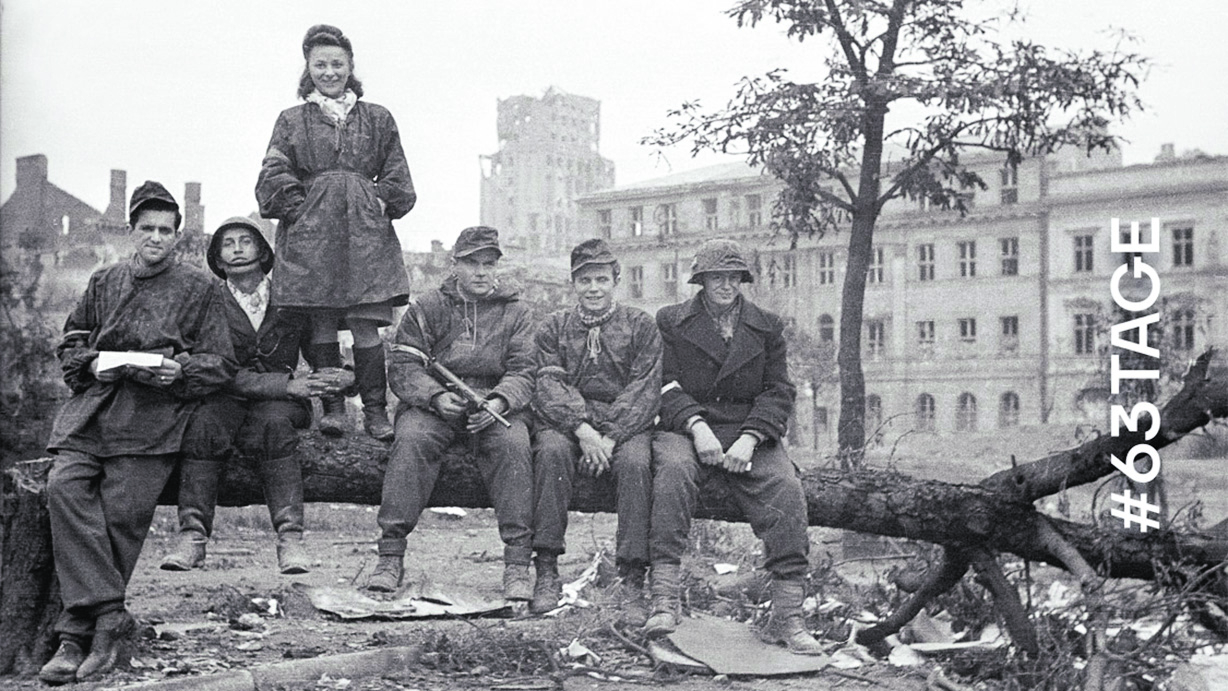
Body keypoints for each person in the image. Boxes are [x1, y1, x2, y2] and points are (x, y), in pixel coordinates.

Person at [39, 182, 236, 684]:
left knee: (123, 513)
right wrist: (92, 364)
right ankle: (109, 615)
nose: (155, 238)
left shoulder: (201, 288)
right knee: (63, 486)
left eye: (165, 231)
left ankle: (75, 636)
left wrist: (181, 373)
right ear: (131, 231)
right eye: (146, 229)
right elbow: (72, 342)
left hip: (155, 415)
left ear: (177, 236)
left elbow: (221, 362)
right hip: (94, 409)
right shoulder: (103, 280)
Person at [645, 238, 823, 655]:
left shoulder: (766, 325)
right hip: (688, 425)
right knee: (671, 473)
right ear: (701, 281)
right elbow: (665, 383)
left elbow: (779, 389)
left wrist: (751, 437)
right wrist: (695, 425)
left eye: (733, 277)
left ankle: (787, 616)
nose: (725, 285)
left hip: (748, 427)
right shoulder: (671, 321)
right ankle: (664, 602)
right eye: (716, 277)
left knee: (786, 488)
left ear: (742, 280)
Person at [160, 217, 354, 575]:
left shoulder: (290, 297)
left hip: (280, 404)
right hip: (225, 394)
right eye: (227, 244)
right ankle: (192, 536)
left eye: (245, 241)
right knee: (203, 426)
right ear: (217, 260)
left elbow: (319, 348)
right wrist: (285, 385)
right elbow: (214, 368)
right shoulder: (208, 302)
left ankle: (290, 539)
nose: (237, 250)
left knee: (275, 425)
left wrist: (340, 377)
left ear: (263, 251)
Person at [255, 24, 415, 441]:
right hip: (312, 238)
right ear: (308, 68)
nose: (329, 72)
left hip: (364, 235)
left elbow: (397, 173)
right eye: (320, 64)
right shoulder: (292, 120)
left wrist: (380, 202)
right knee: (322, 322)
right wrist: (301, 210)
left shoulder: (377, 118)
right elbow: (274, 172)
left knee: (365, 323)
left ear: (350, 67)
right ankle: (333, 408)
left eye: (337, 64)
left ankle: (376, 412)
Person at [366, 226, 536, 600]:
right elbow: (404, 365)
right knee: (410, 440)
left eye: (488, 264)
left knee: (515, 445)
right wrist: (436, 396)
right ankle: (390, 557)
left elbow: (525, 369)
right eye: (471, 263)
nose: (480, 272)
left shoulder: (517, 311)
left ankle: (518, 564)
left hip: (492, 404)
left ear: (497, 267)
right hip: (435, 405)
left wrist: (499, 402)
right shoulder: (428, 307)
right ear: (454, 264)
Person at [530, 239, 661, 618]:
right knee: (551, 453)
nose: (593, 288)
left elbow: (644, 387)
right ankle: (546, 568)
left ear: (615, 280)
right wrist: (583, 430)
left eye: (601, 279)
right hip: (568, 423)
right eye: (584, 280)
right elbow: (548, 382)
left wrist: (610, 436)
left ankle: (633, 578)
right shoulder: (554, 326)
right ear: (573, 283)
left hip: (625, 424)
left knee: (637, 464)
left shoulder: (640, 325)